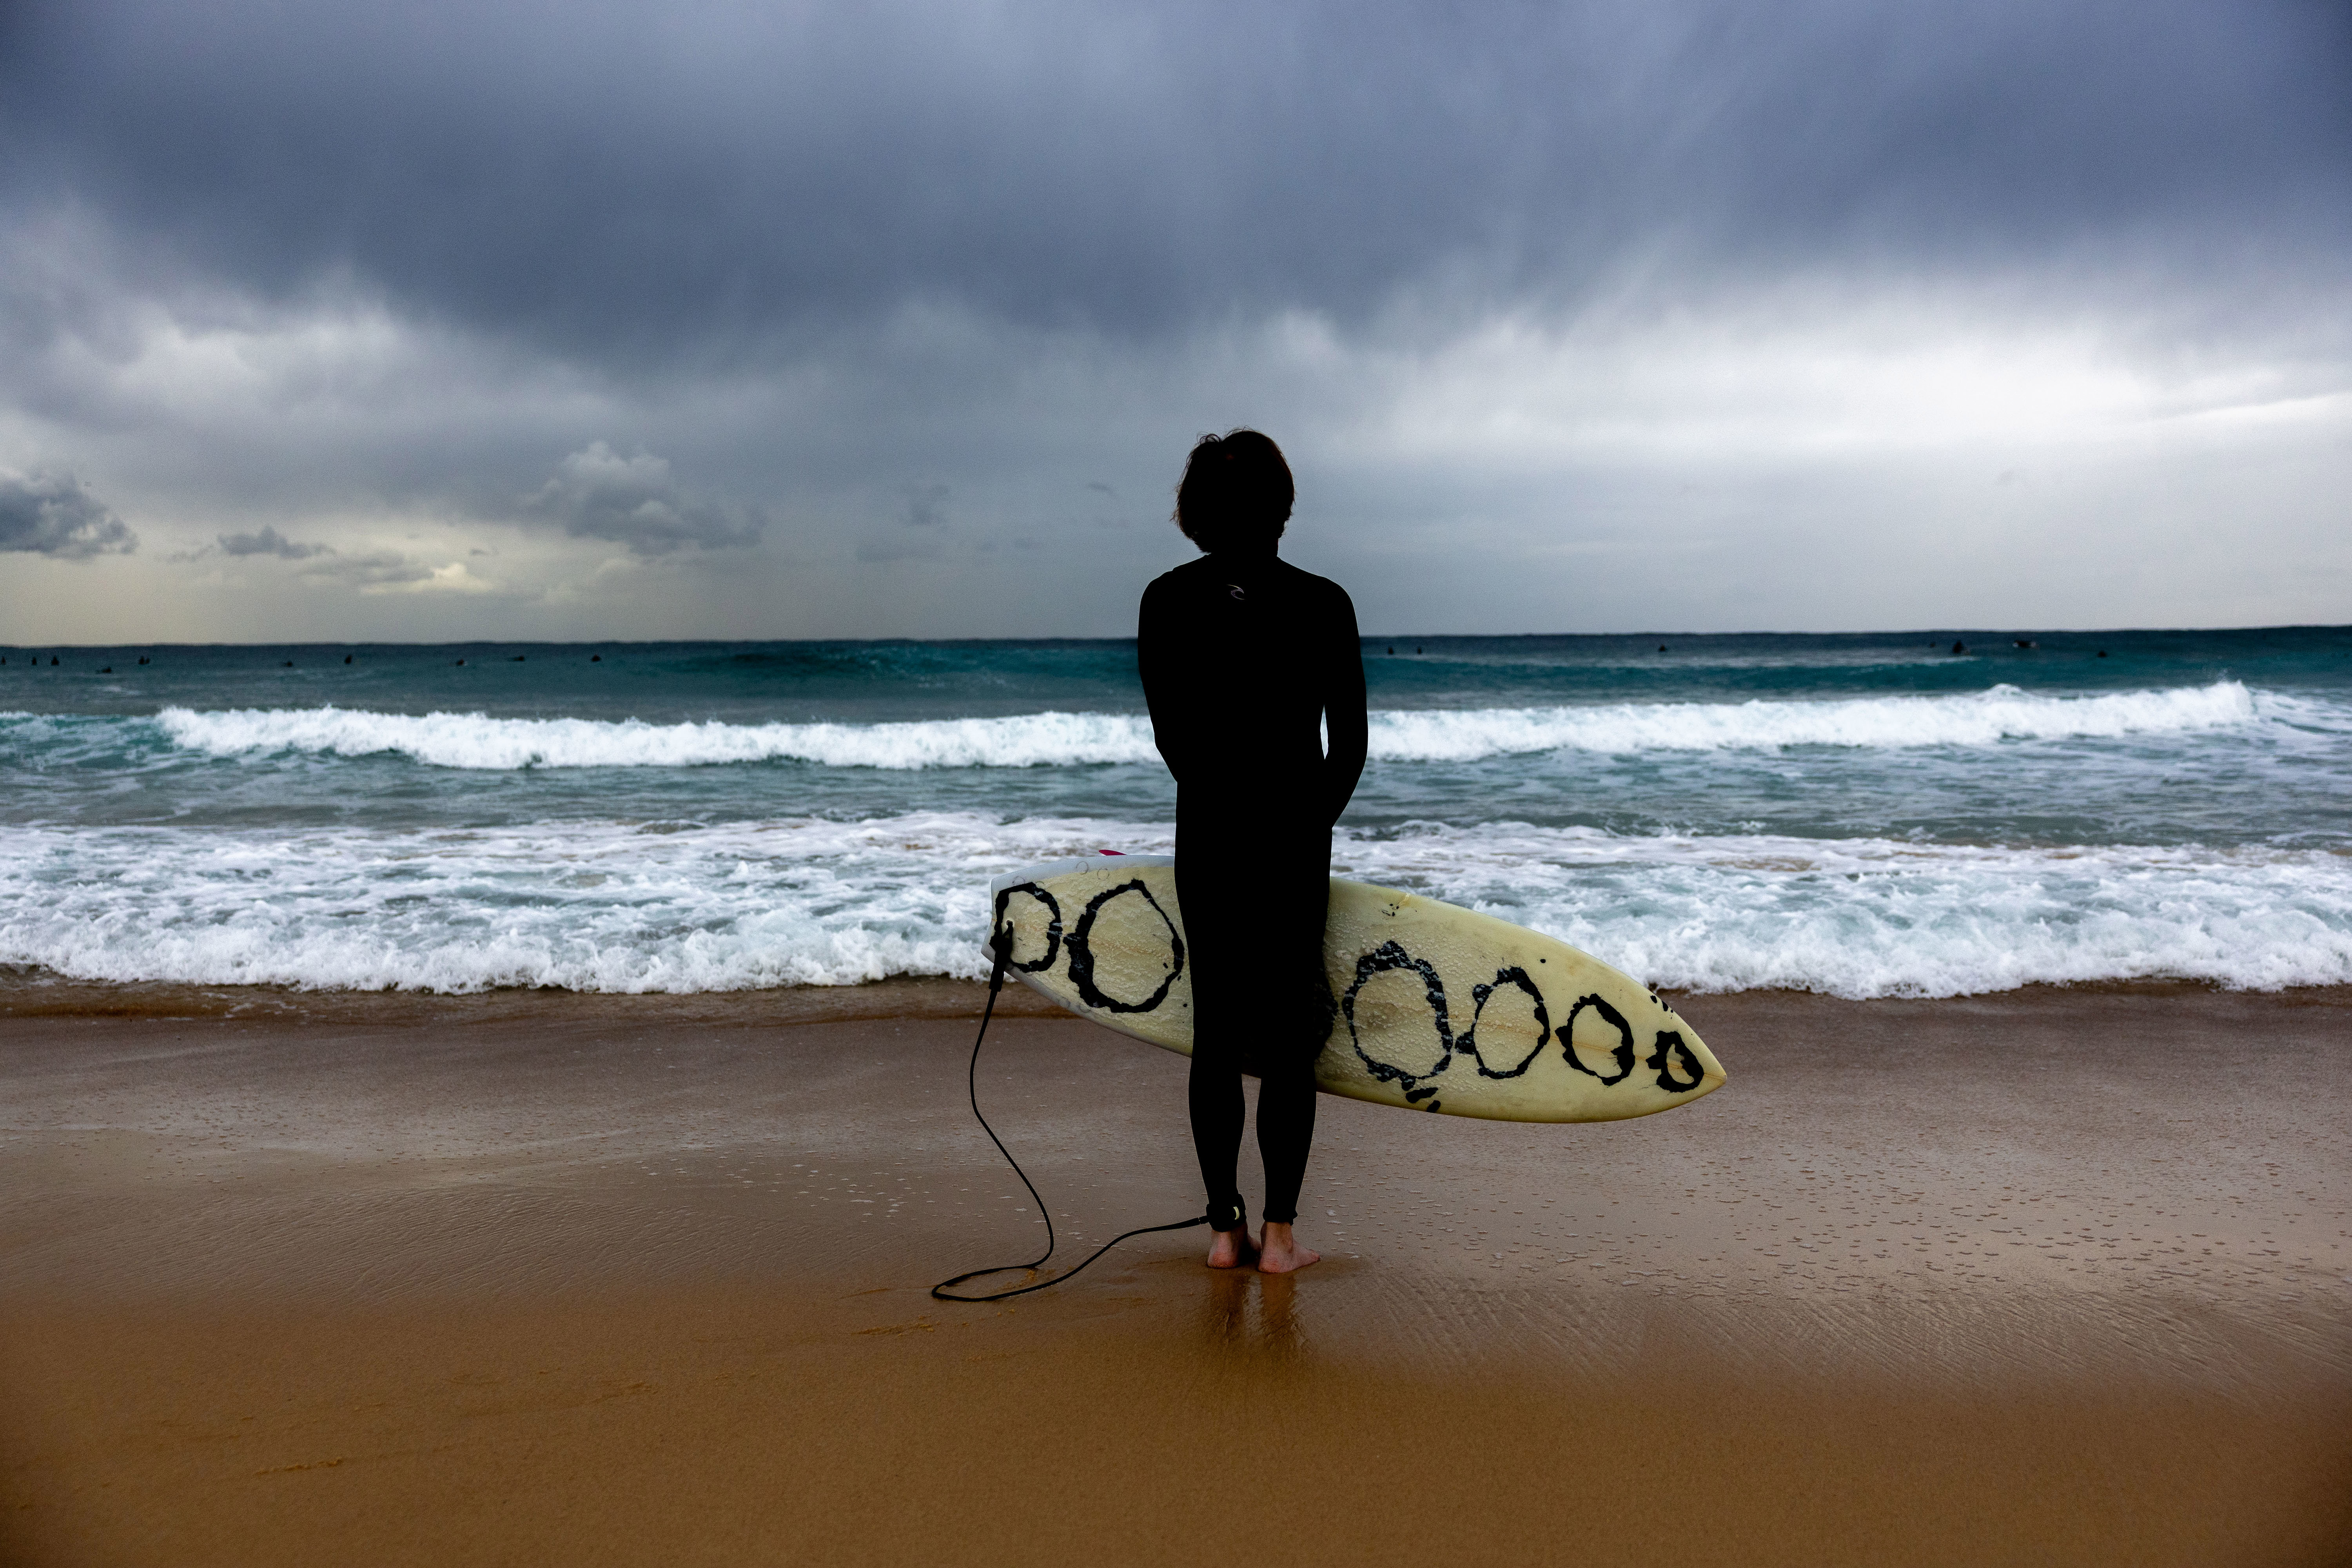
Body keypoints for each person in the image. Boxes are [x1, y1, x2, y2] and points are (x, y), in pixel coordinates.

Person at [1137, 430, 1368, 1274]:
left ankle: (1221, 1232)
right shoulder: (1325, 602)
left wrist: (1225, 811)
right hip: (1293, 842)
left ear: (1195, 514)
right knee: (1285, 1042)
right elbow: (1348, 749)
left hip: (1210, 837)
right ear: (1282, 506)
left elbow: (1176, 743)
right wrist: (1307, 828)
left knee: (1215, 1033)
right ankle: (1280, 1238)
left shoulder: (1164, 601)